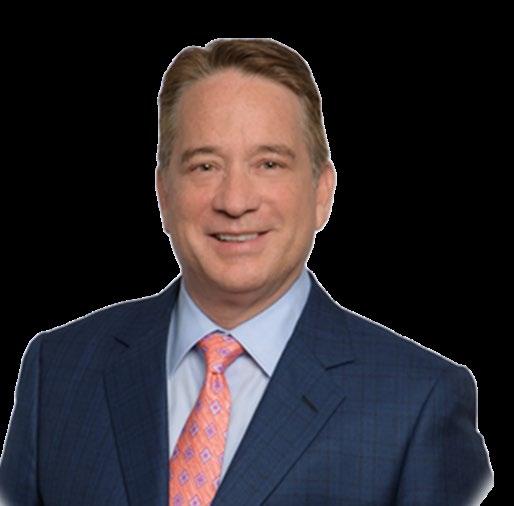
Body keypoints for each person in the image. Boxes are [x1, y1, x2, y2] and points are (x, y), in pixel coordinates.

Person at [0, 38, 493, 505]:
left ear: (322, 193)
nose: (235, 202)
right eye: (204, 166)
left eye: (269, 164)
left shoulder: (419, 401)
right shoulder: (57, 371)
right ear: (164, 194)